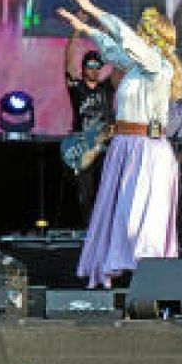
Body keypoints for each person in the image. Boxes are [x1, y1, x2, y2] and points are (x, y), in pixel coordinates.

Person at [58, 0, 182, 289]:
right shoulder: (135, 67)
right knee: (115, 218)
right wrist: (85, 28)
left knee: (138, 223)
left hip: (147, 149)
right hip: (124, 146)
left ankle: (152, 281)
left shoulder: (158, 65)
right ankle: (120, 277)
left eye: (143, 30)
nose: (137, 35)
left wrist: (93, 7)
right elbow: (113, 48)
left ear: (153, 37)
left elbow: (125, 39)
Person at [64, 28, 117, 223]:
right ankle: (89, 227)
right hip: (84, 145)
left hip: (105, 145)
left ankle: (104, 226)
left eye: (97, 66)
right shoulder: (77, 87)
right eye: (90, 66)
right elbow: (68, 60)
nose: (94, 69)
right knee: (84, 191)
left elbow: (119, 67)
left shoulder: (107, 87)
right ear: (84, 68)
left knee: (106, 188)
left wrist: (107, 38)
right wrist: (76, 31)